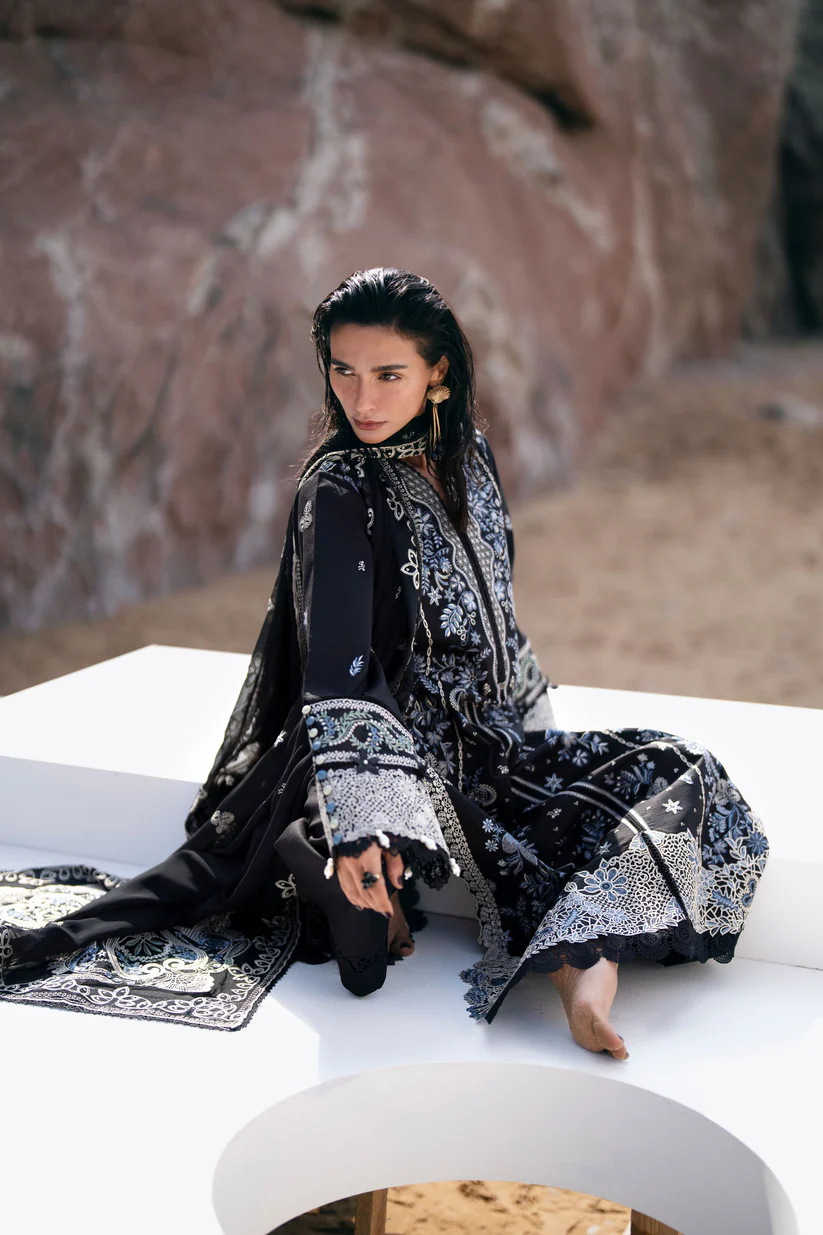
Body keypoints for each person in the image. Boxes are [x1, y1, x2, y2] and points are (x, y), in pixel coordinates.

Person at [0, 268, 770, 1058]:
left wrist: (534, 728)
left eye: (387, 374)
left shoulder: (471, 457)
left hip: (491, 738)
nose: (360, 399)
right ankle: (323, 843)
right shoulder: (338, 492)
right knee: (366, 960)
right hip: (395, 755)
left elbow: (498, 613)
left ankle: (578, 963)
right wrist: (363, 825)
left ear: (438, 373)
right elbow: (339, 670)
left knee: (684, 770)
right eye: (343, 371)